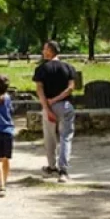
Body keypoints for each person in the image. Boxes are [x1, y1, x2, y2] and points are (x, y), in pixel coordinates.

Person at [32, 40, 75, 181]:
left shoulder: (42, 69)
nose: (43, 52)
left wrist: (47, 107)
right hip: (66, 106)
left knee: (49, 138)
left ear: (50, 51)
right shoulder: (68, 67)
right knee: (66, 137)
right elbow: (70, 88)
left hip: (49, 107)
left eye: (45, 49)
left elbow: (40, 90)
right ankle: (63, 170)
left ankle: (51, 166)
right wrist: (57, 99)